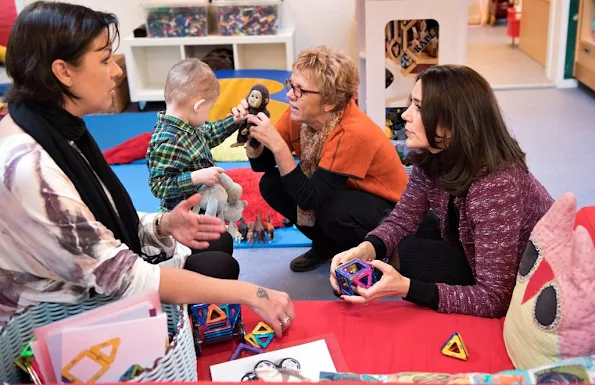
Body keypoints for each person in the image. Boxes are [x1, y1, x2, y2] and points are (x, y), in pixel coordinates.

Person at [0, 1, 294, 335]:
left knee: (216, 250)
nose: (117, 71)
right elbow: (123, 276)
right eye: (104, 59)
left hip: (98, 275)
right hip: (63, 317)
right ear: (63, 71)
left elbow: (100, 217)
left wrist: (164, 223)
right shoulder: (29, 167)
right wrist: (254, 294)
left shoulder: (57, 130)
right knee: (219, 267)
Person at [330, 64, 554, 319]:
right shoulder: (435, 153)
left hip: (517, 278)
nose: (405, 115)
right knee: (389, 230)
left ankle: (389, 280)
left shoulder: (496, 185)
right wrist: (367, 248)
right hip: (471, 240)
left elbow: (495, 298)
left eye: (419, 107)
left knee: (406, 254)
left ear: (453, 124)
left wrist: (407, 289)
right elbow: (402, 219)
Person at [237, 46, 409, 273]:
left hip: (390, 212)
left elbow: (310, 198)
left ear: (329, 102)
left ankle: (375, 256)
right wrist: (252, 134)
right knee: (271, 184)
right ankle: (326, 246)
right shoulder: (297, 115)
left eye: (300, 90)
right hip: (343, 194)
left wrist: (278, 146)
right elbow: (263, 165)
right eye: (291, 85)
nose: (289, 94)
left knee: (331, 208)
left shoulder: (353, 131)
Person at [146, 57, 244, 257]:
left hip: (202, 209)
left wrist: (235, 121)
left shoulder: (190, 126)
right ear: (198, 106)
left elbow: (210, 133)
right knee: (214, 250)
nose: (207, 116)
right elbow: (159, 186)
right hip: (183, 221)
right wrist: (195, 177)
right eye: (208, 109)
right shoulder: (168, 140)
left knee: (221, 244)